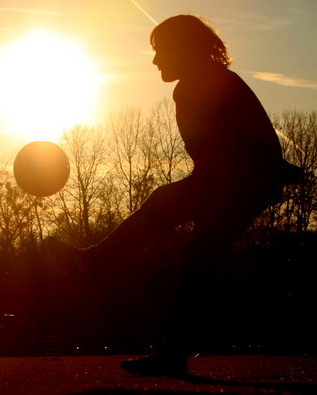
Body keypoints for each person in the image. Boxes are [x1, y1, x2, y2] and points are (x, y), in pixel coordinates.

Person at [46, 14, 303, 377]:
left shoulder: (206, 83)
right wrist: (272, 169)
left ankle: (97, 265)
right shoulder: (206, 82)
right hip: (236, 183)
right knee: (194, 260)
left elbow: (243, 143)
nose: (155, 61)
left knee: (185, 242)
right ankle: (169, 347)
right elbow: (236, 143)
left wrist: (269, 169)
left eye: (161, 51)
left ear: (183, 49)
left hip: (237, 184)